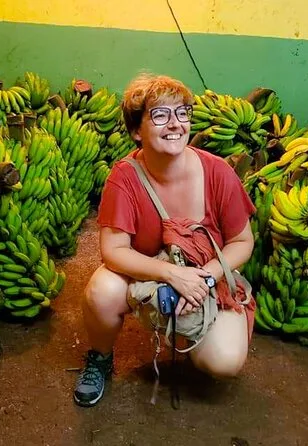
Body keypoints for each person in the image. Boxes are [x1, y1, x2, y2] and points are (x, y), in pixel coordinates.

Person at [73, 73, 257, 407]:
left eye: (182, 113)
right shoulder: (124, 177)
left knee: (224, 361)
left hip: (206, 274)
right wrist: (173, 274)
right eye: (159, 115)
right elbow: (113, 250)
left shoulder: (218, 172)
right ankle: (100, 357)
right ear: (136, 131)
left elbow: (243, 241)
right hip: (150, 271)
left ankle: (193, 334)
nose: (174, 124)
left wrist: (204, 277)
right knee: (102, 290)